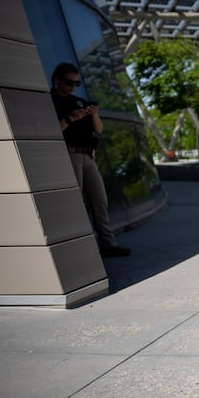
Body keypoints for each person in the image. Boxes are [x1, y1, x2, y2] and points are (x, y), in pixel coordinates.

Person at [50, 63, 130, 258]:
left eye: (76, 83)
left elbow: (99, 130)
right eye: (69, 82)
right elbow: (50, 131)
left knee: (100, 200)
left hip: (87, 155)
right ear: (57, 80)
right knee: (76, 203)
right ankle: (85, 244)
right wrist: (70, 119)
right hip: (69, 154)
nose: (73, 87)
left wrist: (93, 114)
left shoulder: (79, 101)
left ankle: (107, 243)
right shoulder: (49, 101)